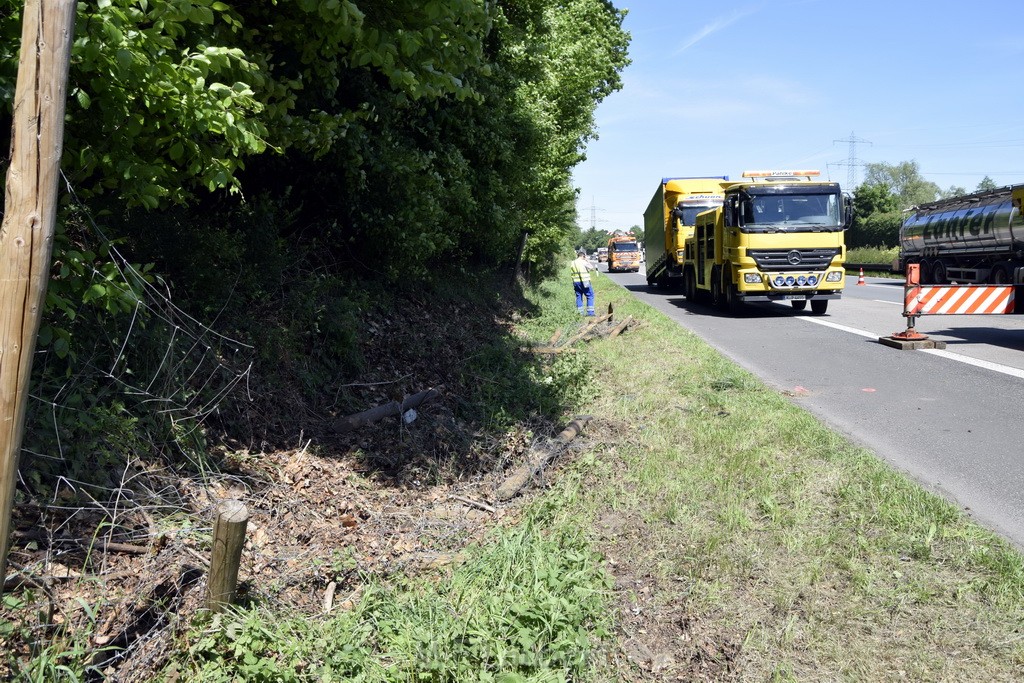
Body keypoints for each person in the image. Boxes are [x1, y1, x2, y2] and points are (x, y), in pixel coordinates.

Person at [570, 249, 597, 316]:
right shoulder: (583, 261)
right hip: (584, 281)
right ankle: (590, 313)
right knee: (590, 295)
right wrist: (587, 261)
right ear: (583, 256)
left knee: (579, 296)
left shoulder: (573, 262)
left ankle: (580, 313)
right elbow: (592, 268)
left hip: (576, 282)